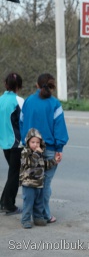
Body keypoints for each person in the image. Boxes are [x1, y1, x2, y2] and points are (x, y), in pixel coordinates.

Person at [20, 73, 69, 224]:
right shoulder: (54, 104)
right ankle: (43, 214)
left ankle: (29, 216)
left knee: (30, 182)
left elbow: (21, 124)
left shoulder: (28, 102)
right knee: (45, 184)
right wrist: (59, 148)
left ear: (37, 85)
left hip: (29, 149)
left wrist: (26, 142)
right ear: (52, 86)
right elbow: (59, 128)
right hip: (48, 149)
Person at [20, 128, 60, 229]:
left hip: (39, 183)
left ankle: (38, 218)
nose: (36, 144)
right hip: (28, 184)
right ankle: (25, 220)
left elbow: (44, 165)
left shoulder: (39, 153)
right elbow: (31, 163)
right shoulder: (25, 152)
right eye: (33, 142)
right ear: (28, 141)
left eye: (38, 142)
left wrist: (54, 161)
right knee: (28, 203)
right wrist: (37, 153)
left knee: (39, 202)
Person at [0, 73, 24, 215]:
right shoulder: (19, 100)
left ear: (6, 84)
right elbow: (25, 121)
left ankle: (4, 202)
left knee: (13, 173)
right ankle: (9, 205)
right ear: (19, 86)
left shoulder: (0, 99)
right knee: (15, 174)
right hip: (17, 143)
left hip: (4, 143)